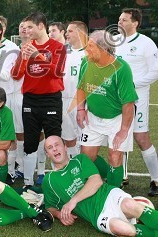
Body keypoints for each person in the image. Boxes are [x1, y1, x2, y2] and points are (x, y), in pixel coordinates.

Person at [43, 135, 158, 237]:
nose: (54, 149)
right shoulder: (49, 180)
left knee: (130, 205)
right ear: (48, 154)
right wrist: (60, 215)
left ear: (65, 147)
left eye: (57, 145)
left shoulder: (80, 159)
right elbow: (50, 206)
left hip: (108, 195)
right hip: (97, 215)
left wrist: (73, 201)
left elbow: (96, 181)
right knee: (125, 230)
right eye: (50, 147)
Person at [76, 30, 139, 188]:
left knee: (115, 156)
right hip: (93, 116)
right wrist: (81, 110)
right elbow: (81, 87)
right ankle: (108, 179)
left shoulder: (121, 69)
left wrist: (124, 130)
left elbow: (128, 103)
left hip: (117, 118)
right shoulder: (86, 62)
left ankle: (113, 192)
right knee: (87, 156)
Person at [11, 12, 66, 189]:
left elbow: (57, 72)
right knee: (30, 143)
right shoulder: (26, 47)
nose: (26, 31)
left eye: (30, 27)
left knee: (54, 142)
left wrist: (37, 56)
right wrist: (23, 58)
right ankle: (27, 183)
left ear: (41, 26)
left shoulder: (58, 46)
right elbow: (15, 75)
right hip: (30, 101)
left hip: (51, 100)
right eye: (25, 27)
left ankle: (58, 183)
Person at [115, 8, 158, 196]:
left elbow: (154, 72)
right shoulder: (114, 42)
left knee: (141, 138)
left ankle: (156, 179)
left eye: (124, 20)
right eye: (119, 19)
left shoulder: (147, 44)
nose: (120, 22)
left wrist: (131, 84)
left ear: (135, 23)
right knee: (118, 135)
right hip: (116, 98)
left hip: (137, 98)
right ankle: (121, 176)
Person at [61, 21, 88, 158]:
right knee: (68, 138)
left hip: (83, 103)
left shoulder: (91, 53)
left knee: (85, 139)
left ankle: (85, 169)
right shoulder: (62, 52)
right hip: (64, 100)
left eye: (70, 31)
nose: (66, 33)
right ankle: (74, 166)